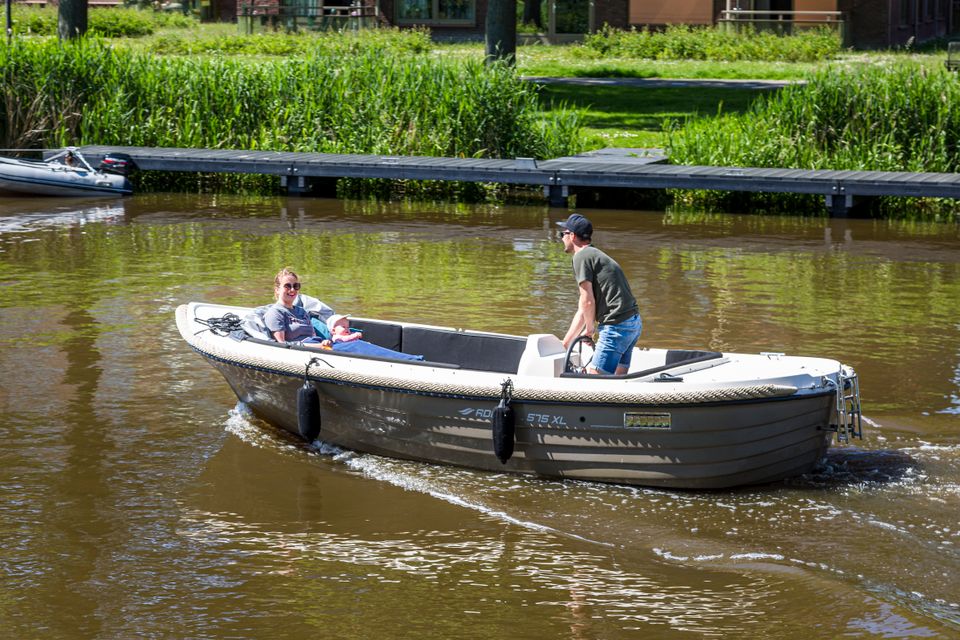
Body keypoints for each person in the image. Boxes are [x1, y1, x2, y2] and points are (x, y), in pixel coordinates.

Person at [557, 213, 642, 375]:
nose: (561, 238)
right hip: (633, 323)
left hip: (616, 326)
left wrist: (589, 330)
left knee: (595, 383)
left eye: (563, 234)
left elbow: (587, 301)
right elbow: (583, 308)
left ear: (572, 236)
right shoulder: (595, 254)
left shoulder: (581, 256)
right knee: (619, 378)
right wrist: (566, 343)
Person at [263, 267, 330, 347]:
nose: (292, 290)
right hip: (303, 350)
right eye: (287, 286)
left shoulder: (302, 311)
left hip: (317, 346)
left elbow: (313, 336)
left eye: (296, 286)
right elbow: (281, 344)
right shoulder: (275, 312)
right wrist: (319, 346)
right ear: (277, 290)